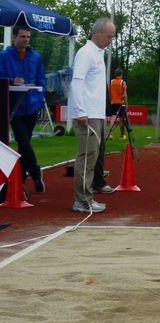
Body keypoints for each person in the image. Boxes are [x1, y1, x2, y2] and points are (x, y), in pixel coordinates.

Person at [68, 18, 116, 213]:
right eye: (109, 37)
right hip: (88, 114)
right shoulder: (86, 53)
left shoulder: (97, 53)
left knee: (92, 157)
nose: (110, 41)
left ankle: (86, 198)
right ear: (98, 33)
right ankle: (82, 200)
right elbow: (77, 82)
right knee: (87, 158)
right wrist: (80, 111)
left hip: (95, 113)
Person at [0, 25, 46, 192]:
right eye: (23, 36)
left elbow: (41, 80)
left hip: (32, 106)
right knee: (23, 142)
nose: (26, 40)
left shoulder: (36, 57)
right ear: (14, 37)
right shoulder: (4, 56)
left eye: (28, 37)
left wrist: (40, 100)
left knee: (23, 145)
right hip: (14, 107)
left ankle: (20, 182)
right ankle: (35, 173)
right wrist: (12, 81)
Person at [109, 67, 128, 140]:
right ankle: (122, 135)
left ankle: (111, 133)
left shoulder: (111, 82)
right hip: (120, 103)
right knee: (122, 119)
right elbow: (125, 94)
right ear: (121, 74)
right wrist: (126, 104)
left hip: (113, 102)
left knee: (113, 117)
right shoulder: (122, 82)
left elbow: (109, 92)